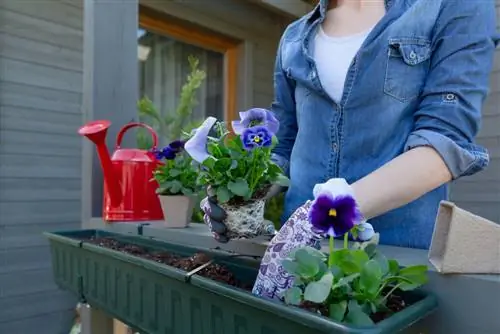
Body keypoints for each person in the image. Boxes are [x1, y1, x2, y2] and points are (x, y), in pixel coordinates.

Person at [203, 0, 498, 250]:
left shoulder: (451, 6)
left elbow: (444, 143)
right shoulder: (293, 38)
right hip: (299, 256)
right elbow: (286, 144)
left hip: (394, 257)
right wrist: (242, 196)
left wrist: (326, 215)